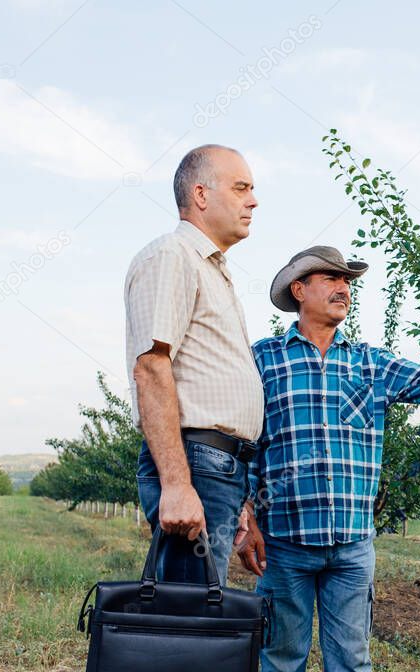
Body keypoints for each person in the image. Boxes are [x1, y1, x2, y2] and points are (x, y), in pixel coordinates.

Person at [234, 245, 420, 672]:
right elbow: (244, 441)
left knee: (353, 669)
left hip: (352, 548)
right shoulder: (263, 359)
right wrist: (247, 514)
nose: (344, 289)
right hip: (284, 543)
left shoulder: (370, 363)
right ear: (298, 290)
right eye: (332, 279)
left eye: (348, 282)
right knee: (280, 665)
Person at [125, 144, 263, 586]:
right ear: (200, 195)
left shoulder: (213, 269)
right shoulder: (173, 256)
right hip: (196, 462)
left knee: (195, 615)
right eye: (241, 187)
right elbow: (151, 365)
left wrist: (238, 496)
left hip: (218, 467)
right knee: (185, 618)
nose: (253, 200)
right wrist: (178, 485)